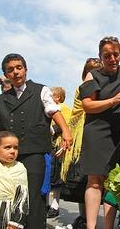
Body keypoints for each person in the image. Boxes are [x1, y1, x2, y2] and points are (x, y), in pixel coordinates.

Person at [0, 53, 73, 229]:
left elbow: (53, 111)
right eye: (10, 70)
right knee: (10, 196)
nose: (16, 72)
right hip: (10, 157)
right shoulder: (2, 99)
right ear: (6, 75)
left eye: (19, 67)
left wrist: (66, 132)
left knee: (33, 198)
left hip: (35, 153)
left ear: (25, 69)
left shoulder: (41, 90)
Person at [78, 36, 120, 229]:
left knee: (113, 181)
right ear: (100, 56)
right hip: (97, 130)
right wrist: (113, 101)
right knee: (94, 181)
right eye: (107, 55)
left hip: (119, 131)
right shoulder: (92, 75)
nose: (112, 59)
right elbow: (87, 105)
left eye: (116, 54)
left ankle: (108, 227)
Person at [63, 58, 103, 229]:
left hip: (96, 132)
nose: (92, 73)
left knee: (94, 178)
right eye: (89, 70)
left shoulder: (102, 86)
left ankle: (89, 218)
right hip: (81, 134)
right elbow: (76, 113)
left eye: (96, 70)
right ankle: (84, 217)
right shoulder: (83, 88)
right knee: (82, 179)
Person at [46, 86, 72, 219]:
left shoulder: (64, 109)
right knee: (46, 176)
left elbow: (65, 125)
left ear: (58, 97)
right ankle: (45, 203)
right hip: (47, 146)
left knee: (56, 177)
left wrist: (51, 129)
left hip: (58, 147)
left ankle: (55, 205)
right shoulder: (48, 109)